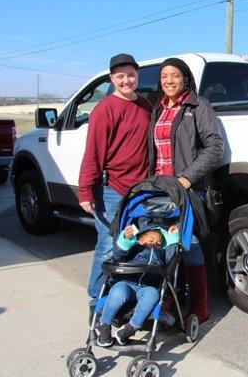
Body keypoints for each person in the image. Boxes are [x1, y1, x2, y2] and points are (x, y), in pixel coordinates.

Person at [148, 57, 224, 324]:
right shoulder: (158, 108)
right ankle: (172, 298)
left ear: (185, 79)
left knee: (188, 243)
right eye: (164, 76)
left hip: (185, 189)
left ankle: (200, 306)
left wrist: (186, 179)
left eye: (175, 76)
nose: (169, 80)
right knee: (164, 244)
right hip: (159, 189)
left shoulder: (198, 105)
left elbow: (215, 147)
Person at [79, 53, 153, 316]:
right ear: (112, 79)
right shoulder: (104, 109)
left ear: (137, 76)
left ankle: (126, 297)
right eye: (120, 76)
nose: (126, 80)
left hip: (141, 191)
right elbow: (93, 153)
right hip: (111, 190)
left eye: (131, 75)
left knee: (137, 246)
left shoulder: (145, 105)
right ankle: (96, 302)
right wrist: (85, 190)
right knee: (109, 246)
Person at [97, 223, 179, 346]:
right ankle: (104, 326)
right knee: (119, 290)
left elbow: (170, 259)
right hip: (127, 283)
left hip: (147, 287)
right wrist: (126, 239)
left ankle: (130, 328)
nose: (154, 244)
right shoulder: (134, 247)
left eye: (158, 243)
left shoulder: (161, 253)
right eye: (150, 240)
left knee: (153, 295)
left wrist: (172, 239)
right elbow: (119, 254)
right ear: (140, 239)